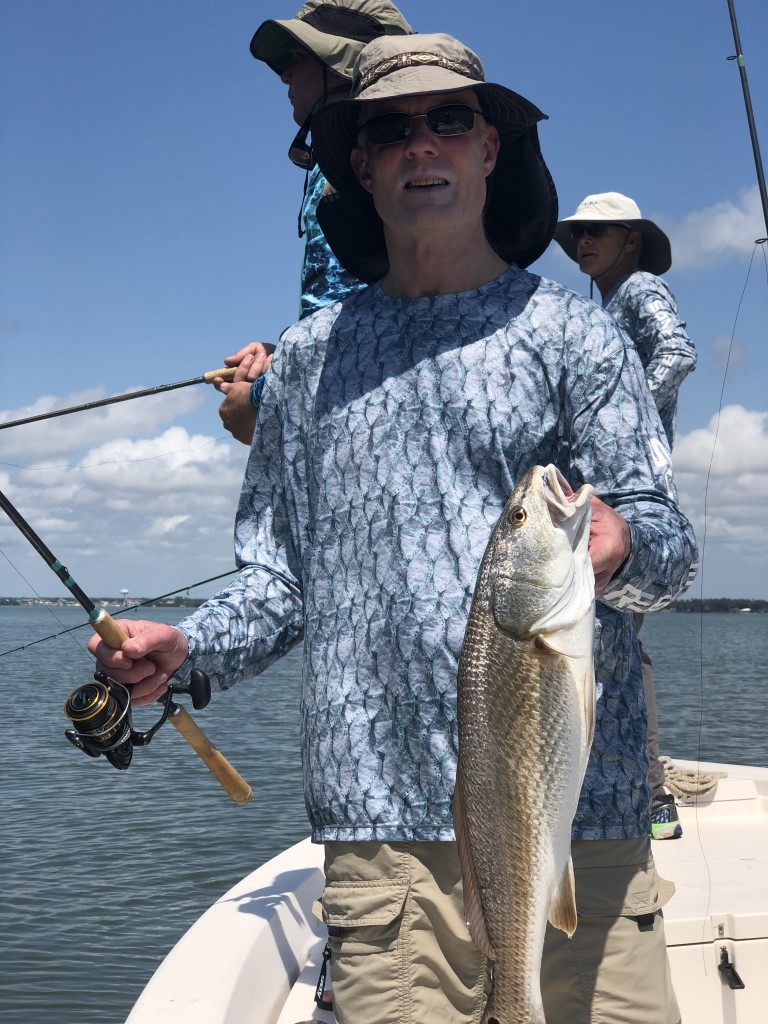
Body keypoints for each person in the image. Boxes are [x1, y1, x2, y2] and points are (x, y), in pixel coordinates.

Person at [88, 34, 697, 1024]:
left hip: (580, 818)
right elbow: (279, 580)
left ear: (490, 148)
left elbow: (668, 543)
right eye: (390, 127)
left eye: (450, 120)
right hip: (382, 822)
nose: (423, 146)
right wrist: (188, 644)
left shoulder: (574, 335)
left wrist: (625, 546)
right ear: (360, 162)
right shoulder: (308, 364)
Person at [554, 192, 697, 840]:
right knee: (604, 636)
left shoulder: (639, 291)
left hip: (633, 494)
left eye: (597, 232)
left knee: (621, 637)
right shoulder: (601, 307)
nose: (583, 242)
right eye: (577, 234)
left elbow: (678, 352)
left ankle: (653, 794)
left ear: (631, 241)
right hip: (606, 488)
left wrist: (621, 410)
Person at [215, 0, 412, 445]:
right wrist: (283, 354)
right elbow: (352, 313)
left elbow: (360, 340)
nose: (284, 75)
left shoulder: (356, 160)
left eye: (297, 56)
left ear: (339, 63)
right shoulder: (379, 147)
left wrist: (258, 402)